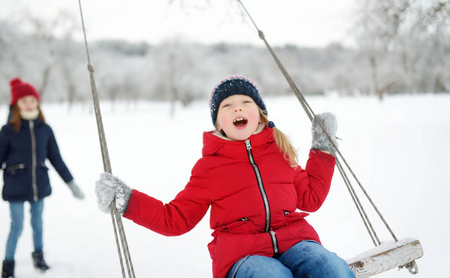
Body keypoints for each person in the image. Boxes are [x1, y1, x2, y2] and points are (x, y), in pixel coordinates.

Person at [95, 75, 355, 278]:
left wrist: (323, 149)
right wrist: (128, 201)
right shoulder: (209, 168)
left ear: (259, 114)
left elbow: (310, 199)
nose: (236, 108)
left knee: (331, 267)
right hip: (244, 256)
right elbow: (176, 219)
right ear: (218, 123)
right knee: (272, 275)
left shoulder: (279, 152)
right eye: (227, 105)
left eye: (245, 102)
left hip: (295, 241)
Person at [1, 78, 85, 278]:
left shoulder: (45, 130)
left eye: (32, 100)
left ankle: (39, 257)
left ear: (37, 102)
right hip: (15, 188)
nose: (29, 104)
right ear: (16, 104)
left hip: (39, 186)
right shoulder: (8, 131)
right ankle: (8, 264)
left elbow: (56, 158)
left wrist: (71, 183)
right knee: (17, 225)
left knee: (38, 224)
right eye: (24, 101)